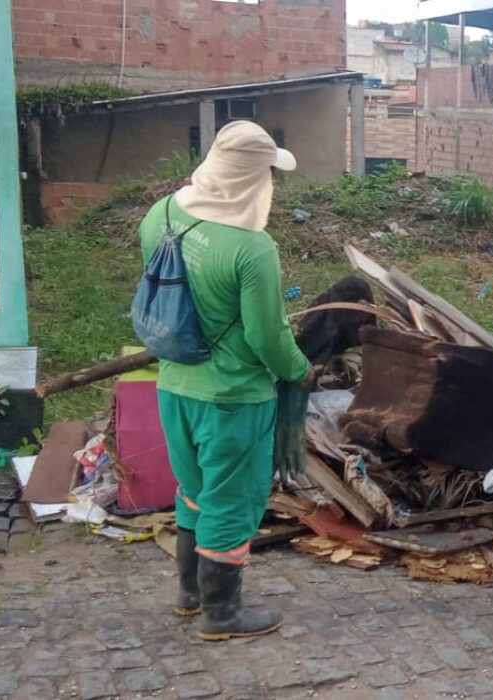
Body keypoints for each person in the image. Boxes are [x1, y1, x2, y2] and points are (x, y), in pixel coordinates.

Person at [138, 121, 312, 641]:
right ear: (252, 181)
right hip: (233, 400)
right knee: (231, 503)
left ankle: (190, 595)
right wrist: (300, 371)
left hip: (174, 385)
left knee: (194, 492)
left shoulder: (162, 214)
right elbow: (267, 338)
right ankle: (223, 614)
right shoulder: (252, 248)